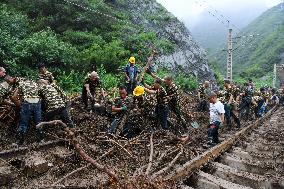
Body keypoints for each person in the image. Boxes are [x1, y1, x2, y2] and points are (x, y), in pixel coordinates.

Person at [4, 75, 42, 144]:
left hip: (27, 103)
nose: (9, 83)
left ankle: (20, 142)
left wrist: (19, 105)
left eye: (9, 81)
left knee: (23, 123)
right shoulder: (34, 83)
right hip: (37, 103)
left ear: (13, 78)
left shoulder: (21, 83)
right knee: (38, 122)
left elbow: (14, 97)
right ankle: (41, 140)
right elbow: (39, 94)